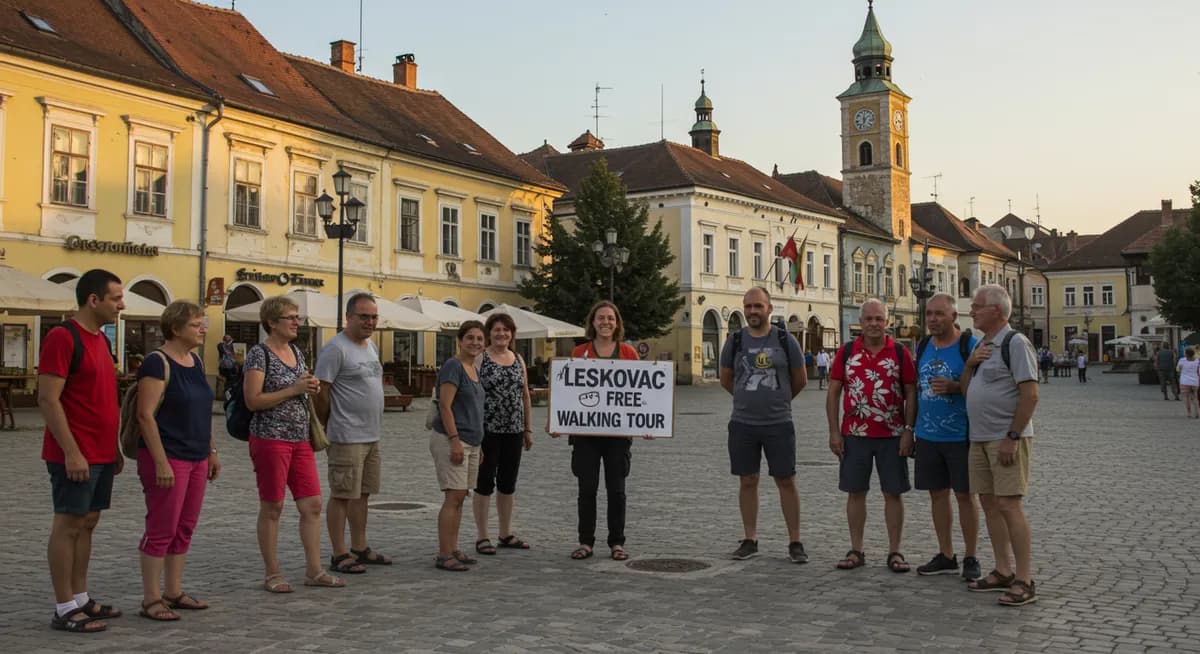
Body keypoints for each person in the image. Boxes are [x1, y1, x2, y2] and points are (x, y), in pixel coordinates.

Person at [39, 269, 125, 634]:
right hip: (74, 453)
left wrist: (115, 447)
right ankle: (63, 607)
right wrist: (72, 451)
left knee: (88, 523)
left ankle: (79, 597)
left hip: (102, 451)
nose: (121, 305)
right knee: (68, 523)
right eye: (116, 298)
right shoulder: (63, 337)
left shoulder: (101, 340)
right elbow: (47, 399)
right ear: (94, 300)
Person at [243, 296, 343, 592]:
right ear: (272, 322)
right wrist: (293, 389)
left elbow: (299, 388)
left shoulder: (296, 352)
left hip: (300, 439)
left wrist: (308, 388)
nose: (297, 322)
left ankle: (314, 570)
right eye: (291, 317)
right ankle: (272, 572)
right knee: (273, 506)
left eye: (297, 317)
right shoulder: (259, 355)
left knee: (312, 505)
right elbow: (253, 400)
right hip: (270, 438)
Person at [134, 301, 219, 621]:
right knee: (161, 527)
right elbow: (145, 415)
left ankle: (173, 589)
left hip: (196, 455)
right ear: (175, 328)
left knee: (185, 526)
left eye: (203, 322)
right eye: (197, 324)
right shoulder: (157, 363)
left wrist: (211, 451)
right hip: (168, 455)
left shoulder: (195, 362)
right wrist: (160, 462)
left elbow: (202, 412)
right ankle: (151, 598)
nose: (203, 328)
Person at [960, 284, 1040, 606]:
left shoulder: (1015, 343)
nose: (972, 310)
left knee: (1009, 505)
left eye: (977, 306)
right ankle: (1002, 570)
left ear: (996, 310)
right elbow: (966, 389)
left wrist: (1012, 436)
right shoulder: (983, 345)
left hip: (1003, 438)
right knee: (990, 504)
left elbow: (1030, 394)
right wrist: (969, 364)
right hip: (978, 438)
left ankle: (1024, 579)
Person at [826, 299, 917, 573]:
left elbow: (911, 393)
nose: (874, 324)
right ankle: (856, 549)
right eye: (869, 319)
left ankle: (895, 551)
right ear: (861, 322)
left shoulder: (900, 353)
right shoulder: (846, 352)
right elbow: (833, 393)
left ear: (886, 322)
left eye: (879, 319)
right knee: (855, 492)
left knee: (893, 493)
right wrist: (834, 431)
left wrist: (908, 431)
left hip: (892, 434)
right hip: (854, 434)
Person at [719, 287, 808, 563]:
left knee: (786, 480)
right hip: (743, 423)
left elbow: (800, 378)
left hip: (779, 423)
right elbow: (726, 378)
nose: (753, 312)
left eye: (758, 306)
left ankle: (795, 541)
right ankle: (750, 538)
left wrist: (778, 401)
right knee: (747, 481)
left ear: (769, 308)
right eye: (748, 307)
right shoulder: (735, 340)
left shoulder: (785, 339)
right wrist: (747, 399)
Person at [553, 300, 640, 562]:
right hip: (585, 437)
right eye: (601, 318)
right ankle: (585, 541)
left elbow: (640, 395)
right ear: (592, 322)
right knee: (587, 489)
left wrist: (646, 425)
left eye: (610, 319)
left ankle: (617, 542)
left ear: (617, 323)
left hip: (617, 437)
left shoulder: (628, 353)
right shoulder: (579, 353)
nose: (605, 323)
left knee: (617, 490)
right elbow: (566, 393)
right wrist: (558, 421)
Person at [314, 293, 389, 575]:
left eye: (373, 317)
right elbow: (321, 391)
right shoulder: (335, 348)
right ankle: (339, 552)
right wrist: (327, 422)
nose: (370, 322)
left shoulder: (371, 346)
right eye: (364, 316)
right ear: (348, 317)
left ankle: (360, 546)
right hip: (346, 435)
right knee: (342, 494)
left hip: (371, 434)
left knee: (363, 493)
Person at [911, 294, 981, 580]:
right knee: (937, 495)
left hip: (961, 434)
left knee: (965, 496)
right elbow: (915, 389)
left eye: (939, 314)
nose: (932, 319)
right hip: (927, 434)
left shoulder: (969, 345)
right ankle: (946, 554)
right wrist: (910, 429)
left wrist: (955, 386)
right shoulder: (924, 345)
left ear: (954, 317)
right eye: (929, 314)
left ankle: (971, 556)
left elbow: (983, 386)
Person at [472, 313, 534, 555]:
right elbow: (473, 394)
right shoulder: (480, 358)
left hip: (514, 430)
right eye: (497, 330)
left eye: (506, 330)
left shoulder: (518, 358)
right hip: (488, 430)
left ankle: (505, 533)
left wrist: (527, 428)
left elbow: (525, 395)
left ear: (512, 334)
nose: (502, 334)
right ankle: (482, 536)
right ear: (490, 333)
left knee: (508, 483)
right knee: (484, 482)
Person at [431, 321, 487, 571]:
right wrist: (455, 441)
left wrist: (479, 444)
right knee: (453, 496)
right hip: (452, 440)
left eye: (479, 338)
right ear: (460, 340)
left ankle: (453, 548)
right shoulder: (454, 366)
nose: (475, 342)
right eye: (470, 338)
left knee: (461, 496)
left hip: (472, 442)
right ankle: (444, 554)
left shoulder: (473, 367)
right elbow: (445, 405)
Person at [1177, 348, 1200, 418]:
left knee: (1186, 398)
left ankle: (1189, 413)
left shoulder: (1182, 360)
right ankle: (1197, 413)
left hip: (1184, 381)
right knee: (1195, 397)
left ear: (1186, 354)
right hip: (1194, 381)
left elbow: (1178, 369)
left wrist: (1181, 370)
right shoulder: (1197, 361)